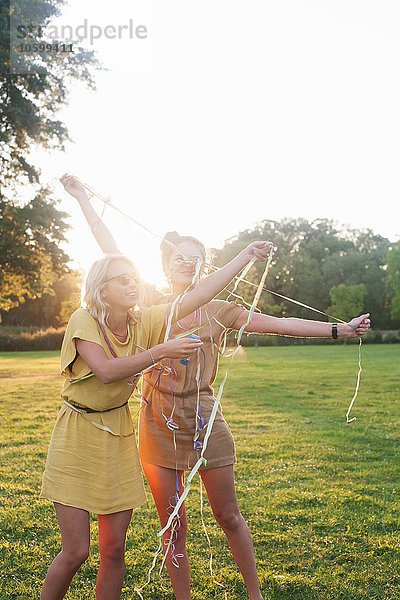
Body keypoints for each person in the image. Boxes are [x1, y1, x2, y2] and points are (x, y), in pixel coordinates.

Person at [61, 174, 370, 600]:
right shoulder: (147, 309)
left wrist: (340, 329)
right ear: (165, 265)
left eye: (196, 259)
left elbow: (282, 324)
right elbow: (110, 247)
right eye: (180, 259)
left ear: (206, 268)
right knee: (173, 524)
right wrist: (83, 200)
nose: (188, 265)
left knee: (229, 514)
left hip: (205, 418)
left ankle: (255, 596)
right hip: (156, 419)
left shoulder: (222, 309)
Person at [40, 232, 271, 599]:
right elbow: (107, 370)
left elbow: (199, 293)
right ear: (102, 288)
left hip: (117, 432)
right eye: (123, 280)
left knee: (114, 549)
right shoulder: (83, 319)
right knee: (77, 551)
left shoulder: (143, 320)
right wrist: (163, 350)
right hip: (78, 431)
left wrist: (244, 256)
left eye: (134, 278)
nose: (132, 284)